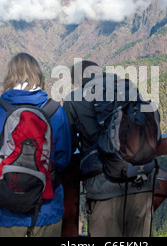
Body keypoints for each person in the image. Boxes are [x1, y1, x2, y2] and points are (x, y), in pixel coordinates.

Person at [0, 52, 72, 237]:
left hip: (3, 212)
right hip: (45, 211)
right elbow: (63, 160)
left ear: (10, 76)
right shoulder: (55, 111)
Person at [62, 60, 157, 237]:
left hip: (103, 183)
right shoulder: (129, 88)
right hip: (141, 176)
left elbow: (68, 144)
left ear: (78, 80)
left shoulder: (73, 100)